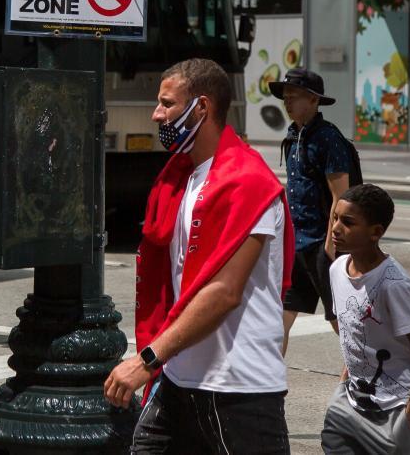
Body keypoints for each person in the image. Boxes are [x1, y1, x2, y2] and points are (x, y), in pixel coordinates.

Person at [104, 58, 295, 454]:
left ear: (201, 107)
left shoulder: (248, 182)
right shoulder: (181, 176)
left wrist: (146, 360)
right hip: (178, 381)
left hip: (239, 391)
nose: (156, 114)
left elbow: (224, 292)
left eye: (167, 103)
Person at [321, 184, 410, 455]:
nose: (336, 228)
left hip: (395, 409)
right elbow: (354, 334)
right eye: (335, 218)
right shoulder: (337, 269)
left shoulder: (393, 285)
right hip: (350, 401)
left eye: (348, 222)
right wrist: (342, 386)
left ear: (376, 232)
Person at [269, 67, 353, 354]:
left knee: (340, 319)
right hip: (296, 242)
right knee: (279, 319)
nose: (287, 102)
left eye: (294, 96)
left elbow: (341, 195)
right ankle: (271, 377)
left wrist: (331, 244)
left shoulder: (328, 138)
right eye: (285, 97)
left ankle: (361, 373)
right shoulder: (294, 135)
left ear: (314, 100)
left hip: (321, 244)